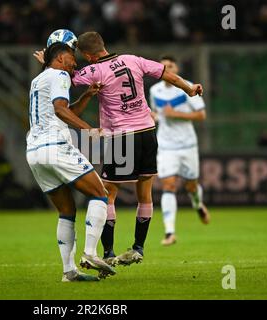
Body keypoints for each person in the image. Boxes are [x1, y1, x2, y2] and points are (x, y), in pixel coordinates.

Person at [33, 31, 203, 266]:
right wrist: (189, 88)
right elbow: (166, 74)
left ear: (87, 55)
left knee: (107, 193)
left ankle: (108, 252)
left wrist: (47, 63)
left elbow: (63, 75)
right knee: (145, 193)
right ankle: (138, 248)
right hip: (147, 132)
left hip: (121, 137)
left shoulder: (93, 70)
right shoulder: (134, 59)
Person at [26, 42, 115, 282]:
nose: (75, 63)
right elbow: (59, 110)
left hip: (34, 152)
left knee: (66, 210)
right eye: (72, 57)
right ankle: (90, 253)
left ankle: (69, 272)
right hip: (55, 146)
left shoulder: (39, 79)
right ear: (61, 57)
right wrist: (89, 130)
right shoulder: (61, 75)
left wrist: (86, 94)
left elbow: (65, 110)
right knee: (100, 193)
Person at [149, 55, 210, 246]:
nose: (167, 69)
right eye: (163, 66)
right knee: (168, 185)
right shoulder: (154, 90)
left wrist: (177, 114)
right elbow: (158, 115)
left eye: (170, 66)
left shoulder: (188, 87)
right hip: (166, 145)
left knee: (191, 186)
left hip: (187, 144)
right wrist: (154, 117)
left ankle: (197, 204)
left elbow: (201, 115)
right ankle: (170, 232)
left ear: (176, 69)